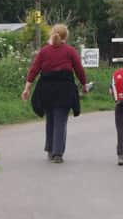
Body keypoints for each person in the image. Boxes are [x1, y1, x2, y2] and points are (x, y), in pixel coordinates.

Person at [22, 24, 88, 163]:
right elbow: (79, 70)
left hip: (46, 90)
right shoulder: (70, 51)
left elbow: (34, 69)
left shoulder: (44, 51)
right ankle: (57, 153)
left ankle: (50, 149)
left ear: (52, 34)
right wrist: (84, 85)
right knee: (60, 121)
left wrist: (27, 88)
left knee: (50, 119)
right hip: (64, 90)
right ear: (66, 36)